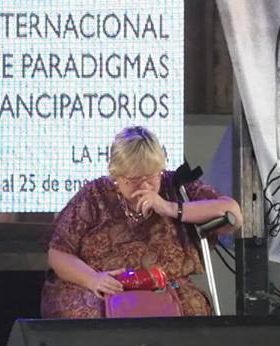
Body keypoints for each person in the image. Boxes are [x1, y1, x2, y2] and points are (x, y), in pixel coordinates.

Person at [41, 126, 243, 318]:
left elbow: (233, 213)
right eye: (135, 179)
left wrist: (171, 208)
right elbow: (58, 253)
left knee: (192, 310)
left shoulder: (174, 186)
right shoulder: (94, 195)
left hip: (165, 285)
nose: (145, 186)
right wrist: (93, 279)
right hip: (105, 285)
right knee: (89, 314)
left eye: (152, 177)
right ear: (116, 175)